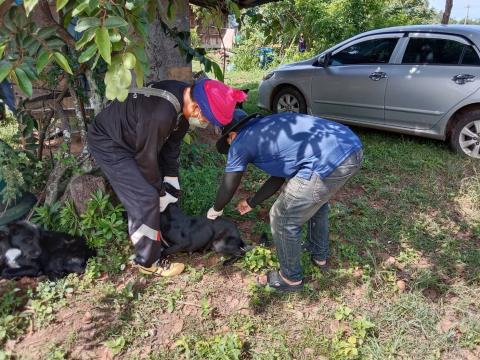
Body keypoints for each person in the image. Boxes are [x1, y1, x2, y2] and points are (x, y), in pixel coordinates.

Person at [88, 79, 247, 276]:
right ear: (197, 107)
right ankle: (147, 261)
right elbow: (147, 160)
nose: (203, 123)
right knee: (145, 197)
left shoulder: (183, 97)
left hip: (133, 136)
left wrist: (171, 180)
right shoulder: (161, 114)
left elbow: (171, 146)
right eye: (205, 119)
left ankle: (157, 232)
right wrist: (158, 191)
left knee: (154, 191)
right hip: (109, 141)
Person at [207, 110, 363, 291]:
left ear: (231, 134)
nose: (230, 149)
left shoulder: (240, 141)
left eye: (227, 142)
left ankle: (290, 279)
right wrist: (252, 201)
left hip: (328, 158)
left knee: (282, 217)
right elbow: (279, 176)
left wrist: (215, 210)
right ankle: (318, 253)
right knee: (316, 202)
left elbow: (229, 185)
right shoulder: (268, 127)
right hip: (350, 146)